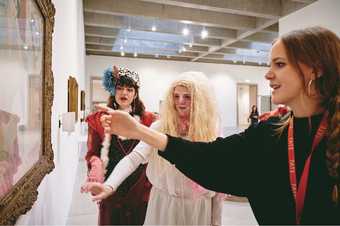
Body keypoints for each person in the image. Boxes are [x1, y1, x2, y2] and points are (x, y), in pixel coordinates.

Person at [98, 26, 340, 225]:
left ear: (314, 70)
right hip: (164, 207)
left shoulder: (217, 128)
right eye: (176, 95)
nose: (267, 75)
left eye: (279, 64)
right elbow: (210, 160)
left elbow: (214, 182)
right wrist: (137, 134)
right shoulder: (269, 134)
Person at [82, 72, 224, 225]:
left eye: (187, 96)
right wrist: (109, 185)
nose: (180, 102)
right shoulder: (160, 126)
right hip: (163, 205)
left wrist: (216, 221)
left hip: (198, 208)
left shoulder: (211, 132)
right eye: (176, 96)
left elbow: (219, 180)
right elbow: (134, 158)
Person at [82, 66, 155, 225]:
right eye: (120, 88)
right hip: (111, 185)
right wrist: (95, 168)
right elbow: (92, 153)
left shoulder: (149, 120)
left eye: (129, 89)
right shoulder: (97, 119)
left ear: (135, 93)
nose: (124, 93)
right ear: (113, 91)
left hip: (140, 186)